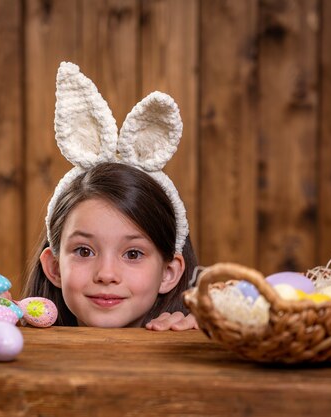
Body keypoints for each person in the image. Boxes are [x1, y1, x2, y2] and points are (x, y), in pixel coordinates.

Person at [21, 62, 199, 331]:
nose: (106, 275)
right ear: (55, 268)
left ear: (168, 272)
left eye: (133, 254)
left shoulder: (194, 340)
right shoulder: (16, 341)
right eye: (84, 251)